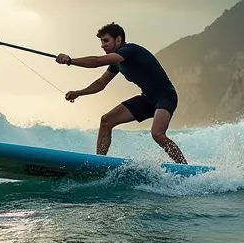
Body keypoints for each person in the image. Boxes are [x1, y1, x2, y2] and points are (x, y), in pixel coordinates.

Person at [55, 22, 188, 164]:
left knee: (157, 133)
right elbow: (101, 83)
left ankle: (184, 167)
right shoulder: (116, 63)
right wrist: (78, 93)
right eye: (101, 42)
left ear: (118, 39)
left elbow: (97, 61)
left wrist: (70, 60)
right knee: (106, 121)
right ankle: (99, 163)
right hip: (147, 99)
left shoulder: (128, 50)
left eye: (106, 40)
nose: (102, 45)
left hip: (165, 96)